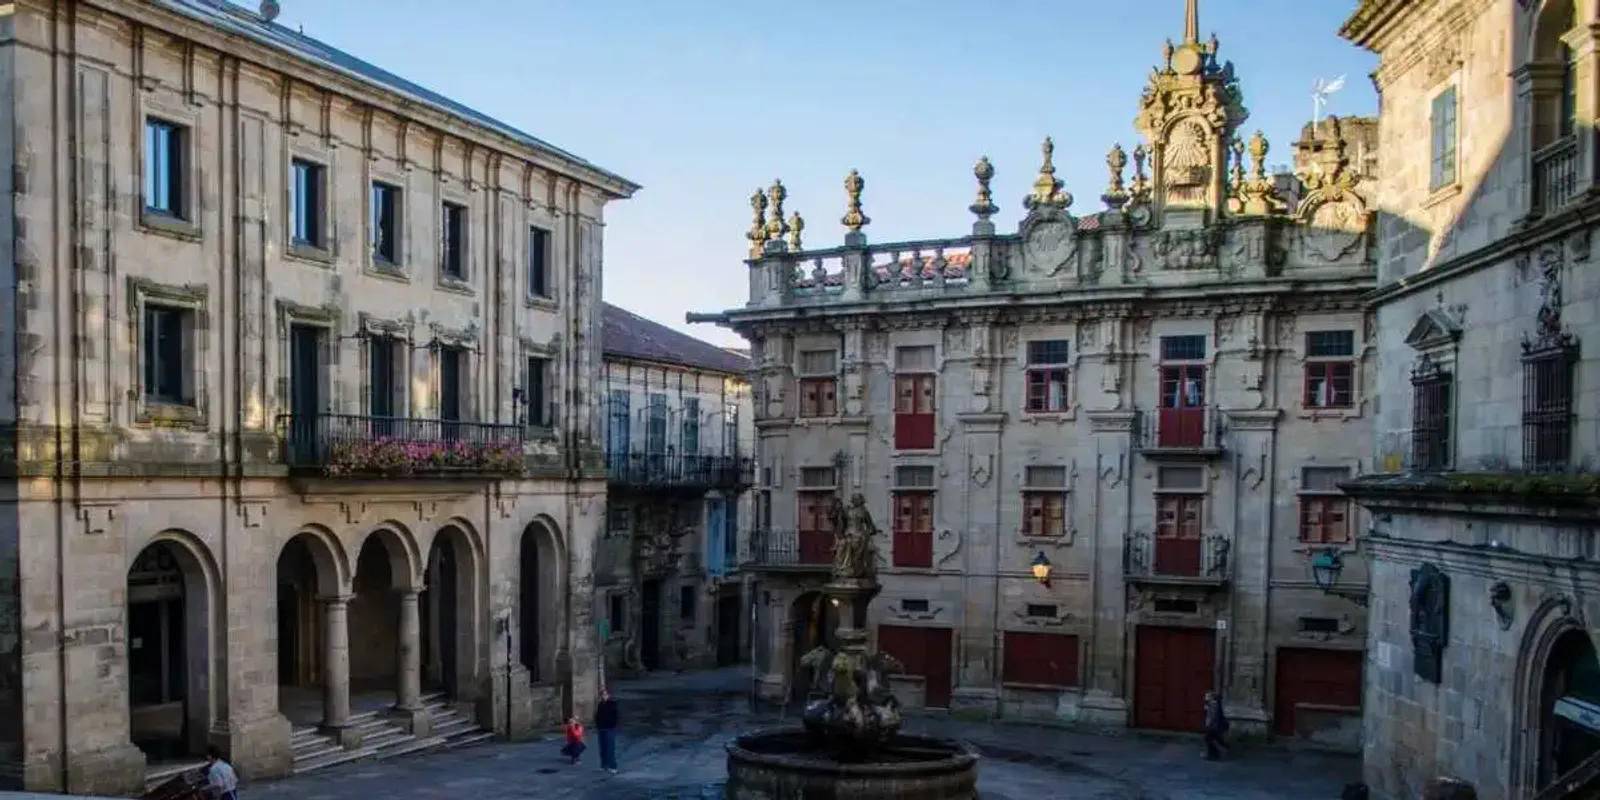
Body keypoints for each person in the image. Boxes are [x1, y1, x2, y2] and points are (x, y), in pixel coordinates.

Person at [595, 688, 620, 774]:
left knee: (610, 748)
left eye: (605, 694)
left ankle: (612, 766)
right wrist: (598, 724)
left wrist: (613, 725)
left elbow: (615, 715)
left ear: (608, 695)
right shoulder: (600, 704)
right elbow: (597, 715)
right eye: (602, 695)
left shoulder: (612, 704)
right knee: (603, 748)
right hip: (601, 728)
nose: (603, 696)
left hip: (609, 728)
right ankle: (604, 765)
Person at [1202, 691, 1229, 760]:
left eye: (1207, 696)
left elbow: (1213, 716)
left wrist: (1210, 725)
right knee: (1212, 740)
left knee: (1209, 739)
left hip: (1213, 726)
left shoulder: (1213, 705)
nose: (1205, 698)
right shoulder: (1212, 704)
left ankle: (1216, 753)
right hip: (1214, 725)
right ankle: (1214, 754)